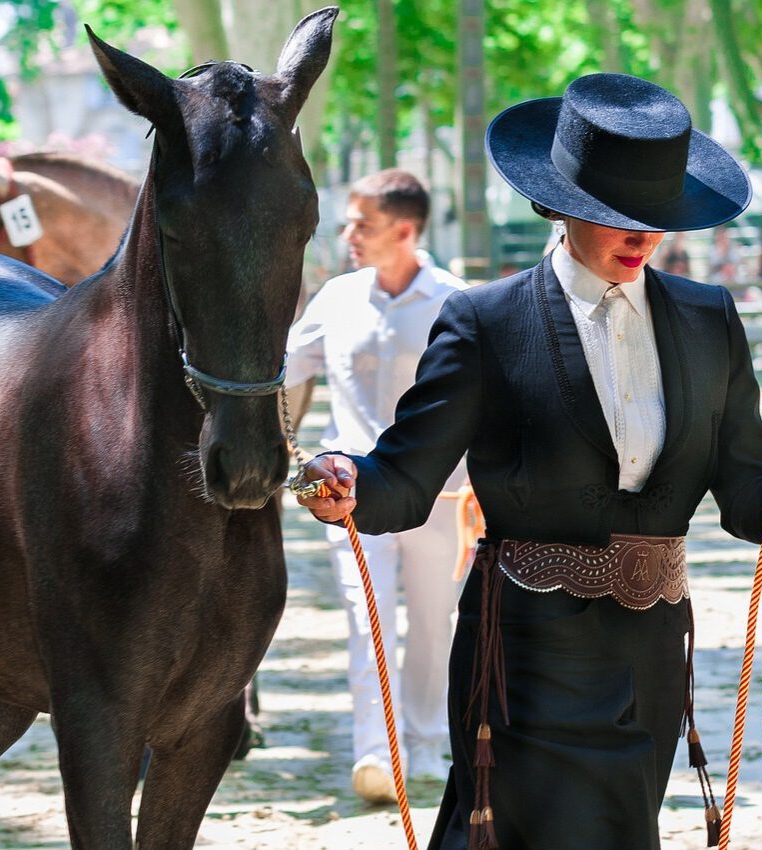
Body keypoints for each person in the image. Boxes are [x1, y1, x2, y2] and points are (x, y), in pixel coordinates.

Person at [295, 74, 762, 849]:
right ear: (560, 202)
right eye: (618, 214)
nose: (640, 233)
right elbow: (405, 476)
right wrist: (346, 485)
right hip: (526, 645)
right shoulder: (484, 322)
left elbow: (746, 475)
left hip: (652, 650)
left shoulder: (708, 319)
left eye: (655, 214)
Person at [285, 168, 469, 803]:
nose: (348, 235)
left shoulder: (457, 302)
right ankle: (376, 748)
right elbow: (279, 373)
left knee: (432, 622)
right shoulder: (335, 299)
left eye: (361, 224)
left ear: (405, 229)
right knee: (367, 621)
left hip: (443, 498)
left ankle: (423, 743)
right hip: (348, 497)